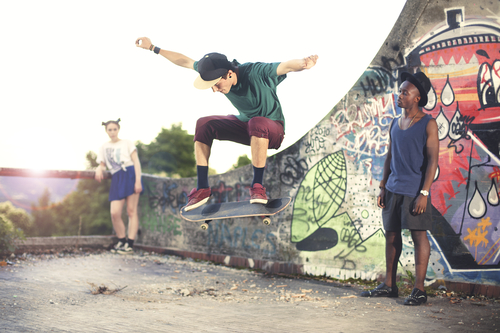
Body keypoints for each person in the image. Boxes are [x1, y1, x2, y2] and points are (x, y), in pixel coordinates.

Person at [135, 37, 318, 211]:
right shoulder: (209, 68)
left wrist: (303, 64)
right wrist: (153, 48)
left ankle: (258, 186)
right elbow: (185, 61)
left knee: (257, 122)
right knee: (204, 124)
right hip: (246, 126)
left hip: (273, 130)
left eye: (216, 84)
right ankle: (202, 188)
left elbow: (285, 66)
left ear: (229, 74)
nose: (215, 90)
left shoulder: (255, 71)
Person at [360, 72, 439, 306]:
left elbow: (433, 161)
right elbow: (390, 156)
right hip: (393, 188)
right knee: (392, 235)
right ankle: (390, 285)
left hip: (415, 191)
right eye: (400, 91)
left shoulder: (428, 123)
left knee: (418, 236)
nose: (400, 95)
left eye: (405, 92)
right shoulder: (395, 122)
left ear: (417, 98)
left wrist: (424, 193)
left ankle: (419, 290)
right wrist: (383, 186)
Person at [95, 119, 143, 254]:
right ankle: (121, 240)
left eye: (114, 129)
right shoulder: (104, 147)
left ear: (118, 129)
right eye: (109, 130)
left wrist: (138, 180)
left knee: (131, 211)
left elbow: (136, 161)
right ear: (106, 131)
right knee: (114, 213)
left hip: (130, 174)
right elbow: (103, 163)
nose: (112, 132)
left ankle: (130, 244)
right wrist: (99, 168)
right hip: (116, 178)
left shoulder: (127, 143)